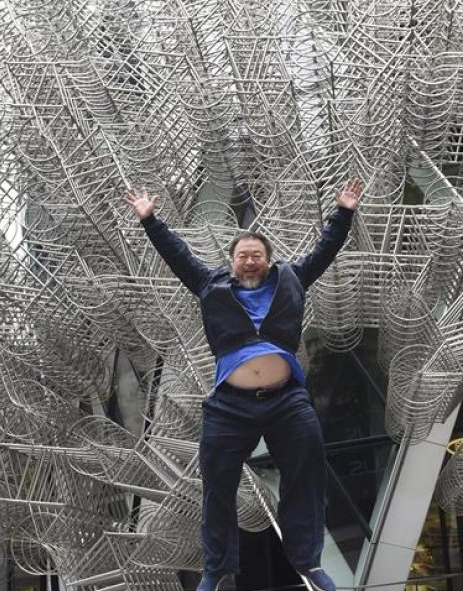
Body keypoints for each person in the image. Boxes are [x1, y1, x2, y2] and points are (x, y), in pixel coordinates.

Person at [125, 179, 362, 591]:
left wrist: (343, 214)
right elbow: (177, 257)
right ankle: (216, 570)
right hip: (230, 404)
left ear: (268, 261)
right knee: (218, 483)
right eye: (242, 256)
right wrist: (150, 221)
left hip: (287, 400)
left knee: (306, 472)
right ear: (232, 261)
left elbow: (325, 251)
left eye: (256, 256)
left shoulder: (292, 279)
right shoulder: (210, 285)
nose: (249, 261)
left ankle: (308, 563)